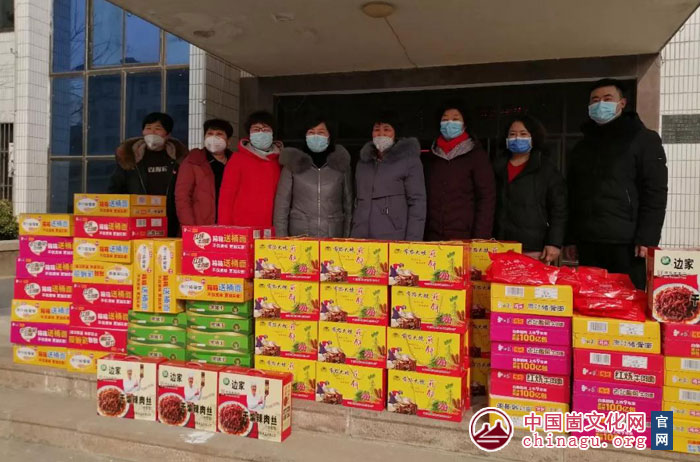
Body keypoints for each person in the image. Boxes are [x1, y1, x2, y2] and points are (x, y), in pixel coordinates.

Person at [566, 78, 668, 289]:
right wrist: (570, 238)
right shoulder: (582, 146)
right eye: (595, 100)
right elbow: (572, 194)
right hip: (588, 240)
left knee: (627, 300)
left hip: (627, 243)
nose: (600, 104)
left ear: (622, 103)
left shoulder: (643, 139)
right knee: (591, 300)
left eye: (607, 98)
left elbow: (655, 192)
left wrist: (647, 238)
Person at [493, 115, 567, 263]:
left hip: (534, 247)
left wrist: (554, 242)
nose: (517, 138)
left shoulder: (546, 169)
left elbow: (559, 209)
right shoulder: (496, 167)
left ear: (534, 137)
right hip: (499, 244)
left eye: (523, 134)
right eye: (512, 134)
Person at [423, 101, 496, 240]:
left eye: (455, 119)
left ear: (464, 124)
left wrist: (480, 238)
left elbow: (486, 198)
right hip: (433, 237)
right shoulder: (432, 157)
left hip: (465, 237)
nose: (449, 123)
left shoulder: (476, 155)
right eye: (445, 119)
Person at [108, 112, 187, 237]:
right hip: (138, 223)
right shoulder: (130, 159)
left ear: (168, 134)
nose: (152, 133)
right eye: (148, 128)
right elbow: (115, 189)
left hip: (170, 222)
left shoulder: (180, 160)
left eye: (158, 129)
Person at [351, 111, 426, 241]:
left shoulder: (409, 161)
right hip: (361, 238)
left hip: (394, 239)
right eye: (376, 130)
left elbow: (417, 203)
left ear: (395, 133)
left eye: (386, 129)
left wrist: (413, 242)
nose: (381, 134)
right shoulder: (363, 163)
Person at [273, 116, 352, 237]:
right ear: (305, 136)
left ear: (329, 136)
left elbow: (348, 205)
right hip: (300, 236)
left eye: (321, 132)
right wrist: (282, 239)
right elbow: (281, 206)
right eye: (311, 132)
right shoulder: (292, 163)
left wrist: (347, 239)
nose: (316, 136)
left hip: (333, 235)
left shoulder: (340, 164)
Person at [218, 111, 282, 227]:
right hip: (242, 227)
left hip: (272, 228)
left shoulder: (280, 160)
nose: (261, 132)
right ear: (249, 134)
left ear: (273, 133)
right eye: (256, 129)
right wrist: (225, 227)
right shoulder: (237, 159)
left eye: (265, 129)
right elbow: (226, 197)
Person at [175, 119, 234, 226]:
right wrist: (190, 227)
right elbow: (182, 197)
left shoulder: (236, 162)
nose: (214, 138)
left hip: (231, 226)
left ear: (229, 141)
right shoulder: (193, 160)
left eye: (219, 134)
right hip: (201, 226)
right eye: (210, 134)